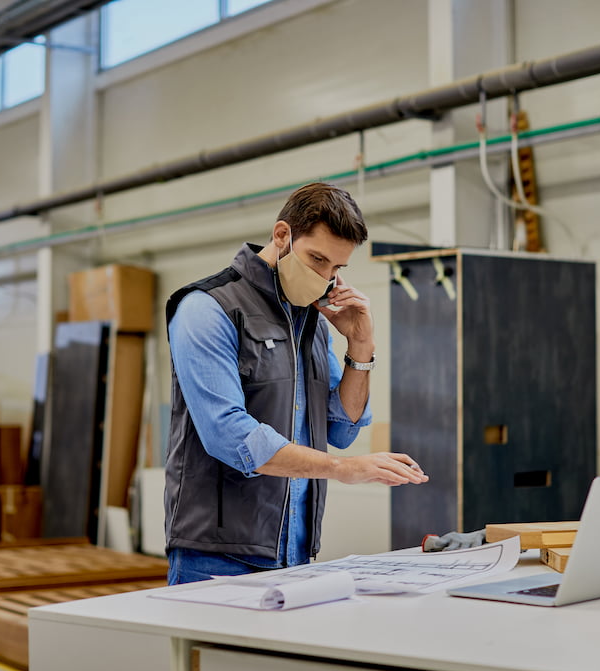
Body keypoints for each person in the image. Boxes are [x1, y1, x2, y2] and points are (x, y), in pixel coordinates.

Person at [163, 181, 428, 585]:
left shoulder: (311, 325)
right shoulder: (208, 308)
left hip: (297, 554)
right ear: (282, 235)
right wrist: (343, 470)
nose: (325, 277)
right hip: (216, 558)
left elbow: (341, 428)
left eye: (336, 269)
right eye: (317, 259)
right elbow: (228, 435)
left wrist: (360, 345)